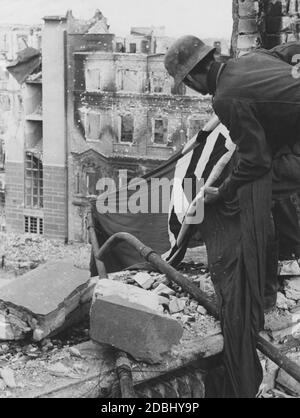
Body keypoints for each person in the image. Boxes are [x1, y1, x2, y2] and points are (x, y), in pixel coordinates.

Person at [165, 37, 300, 305]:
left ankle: (265, 290)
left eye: (187, 84)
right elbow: (291, 49)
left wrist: (223, 192)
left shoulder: (225, 98)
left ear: (192, 78)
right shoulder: (252, 58)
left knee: (252, 191)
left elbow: (256, 162)